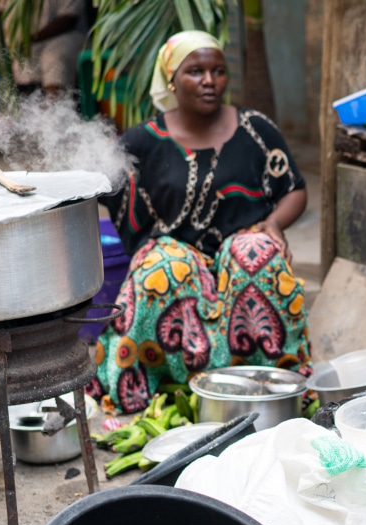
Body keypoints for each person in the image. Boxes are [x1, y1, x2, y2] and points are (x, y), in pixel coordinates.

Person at [87, 30, 311, 414]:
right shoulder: (142, 141)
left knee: (256, 254)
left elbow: (293, 187)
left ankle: (271, 382)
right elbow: (98, 188)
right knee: (163, 267)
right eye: (195, 71)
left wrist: (273, 224)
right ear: (171, 78)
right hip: (176, 256)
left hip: (240, 249)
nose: (209, 81)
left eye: (218, 71)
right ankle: (164, 388)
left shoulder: (255, 129)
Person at [8, 0, 89, 98]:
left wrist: (32, 38)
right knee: (21, 63)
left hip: (68, 35)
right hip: (29, 42)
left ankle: (53, 109)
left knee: (55, 58)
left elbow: (69, 18)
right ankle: (26, 108)